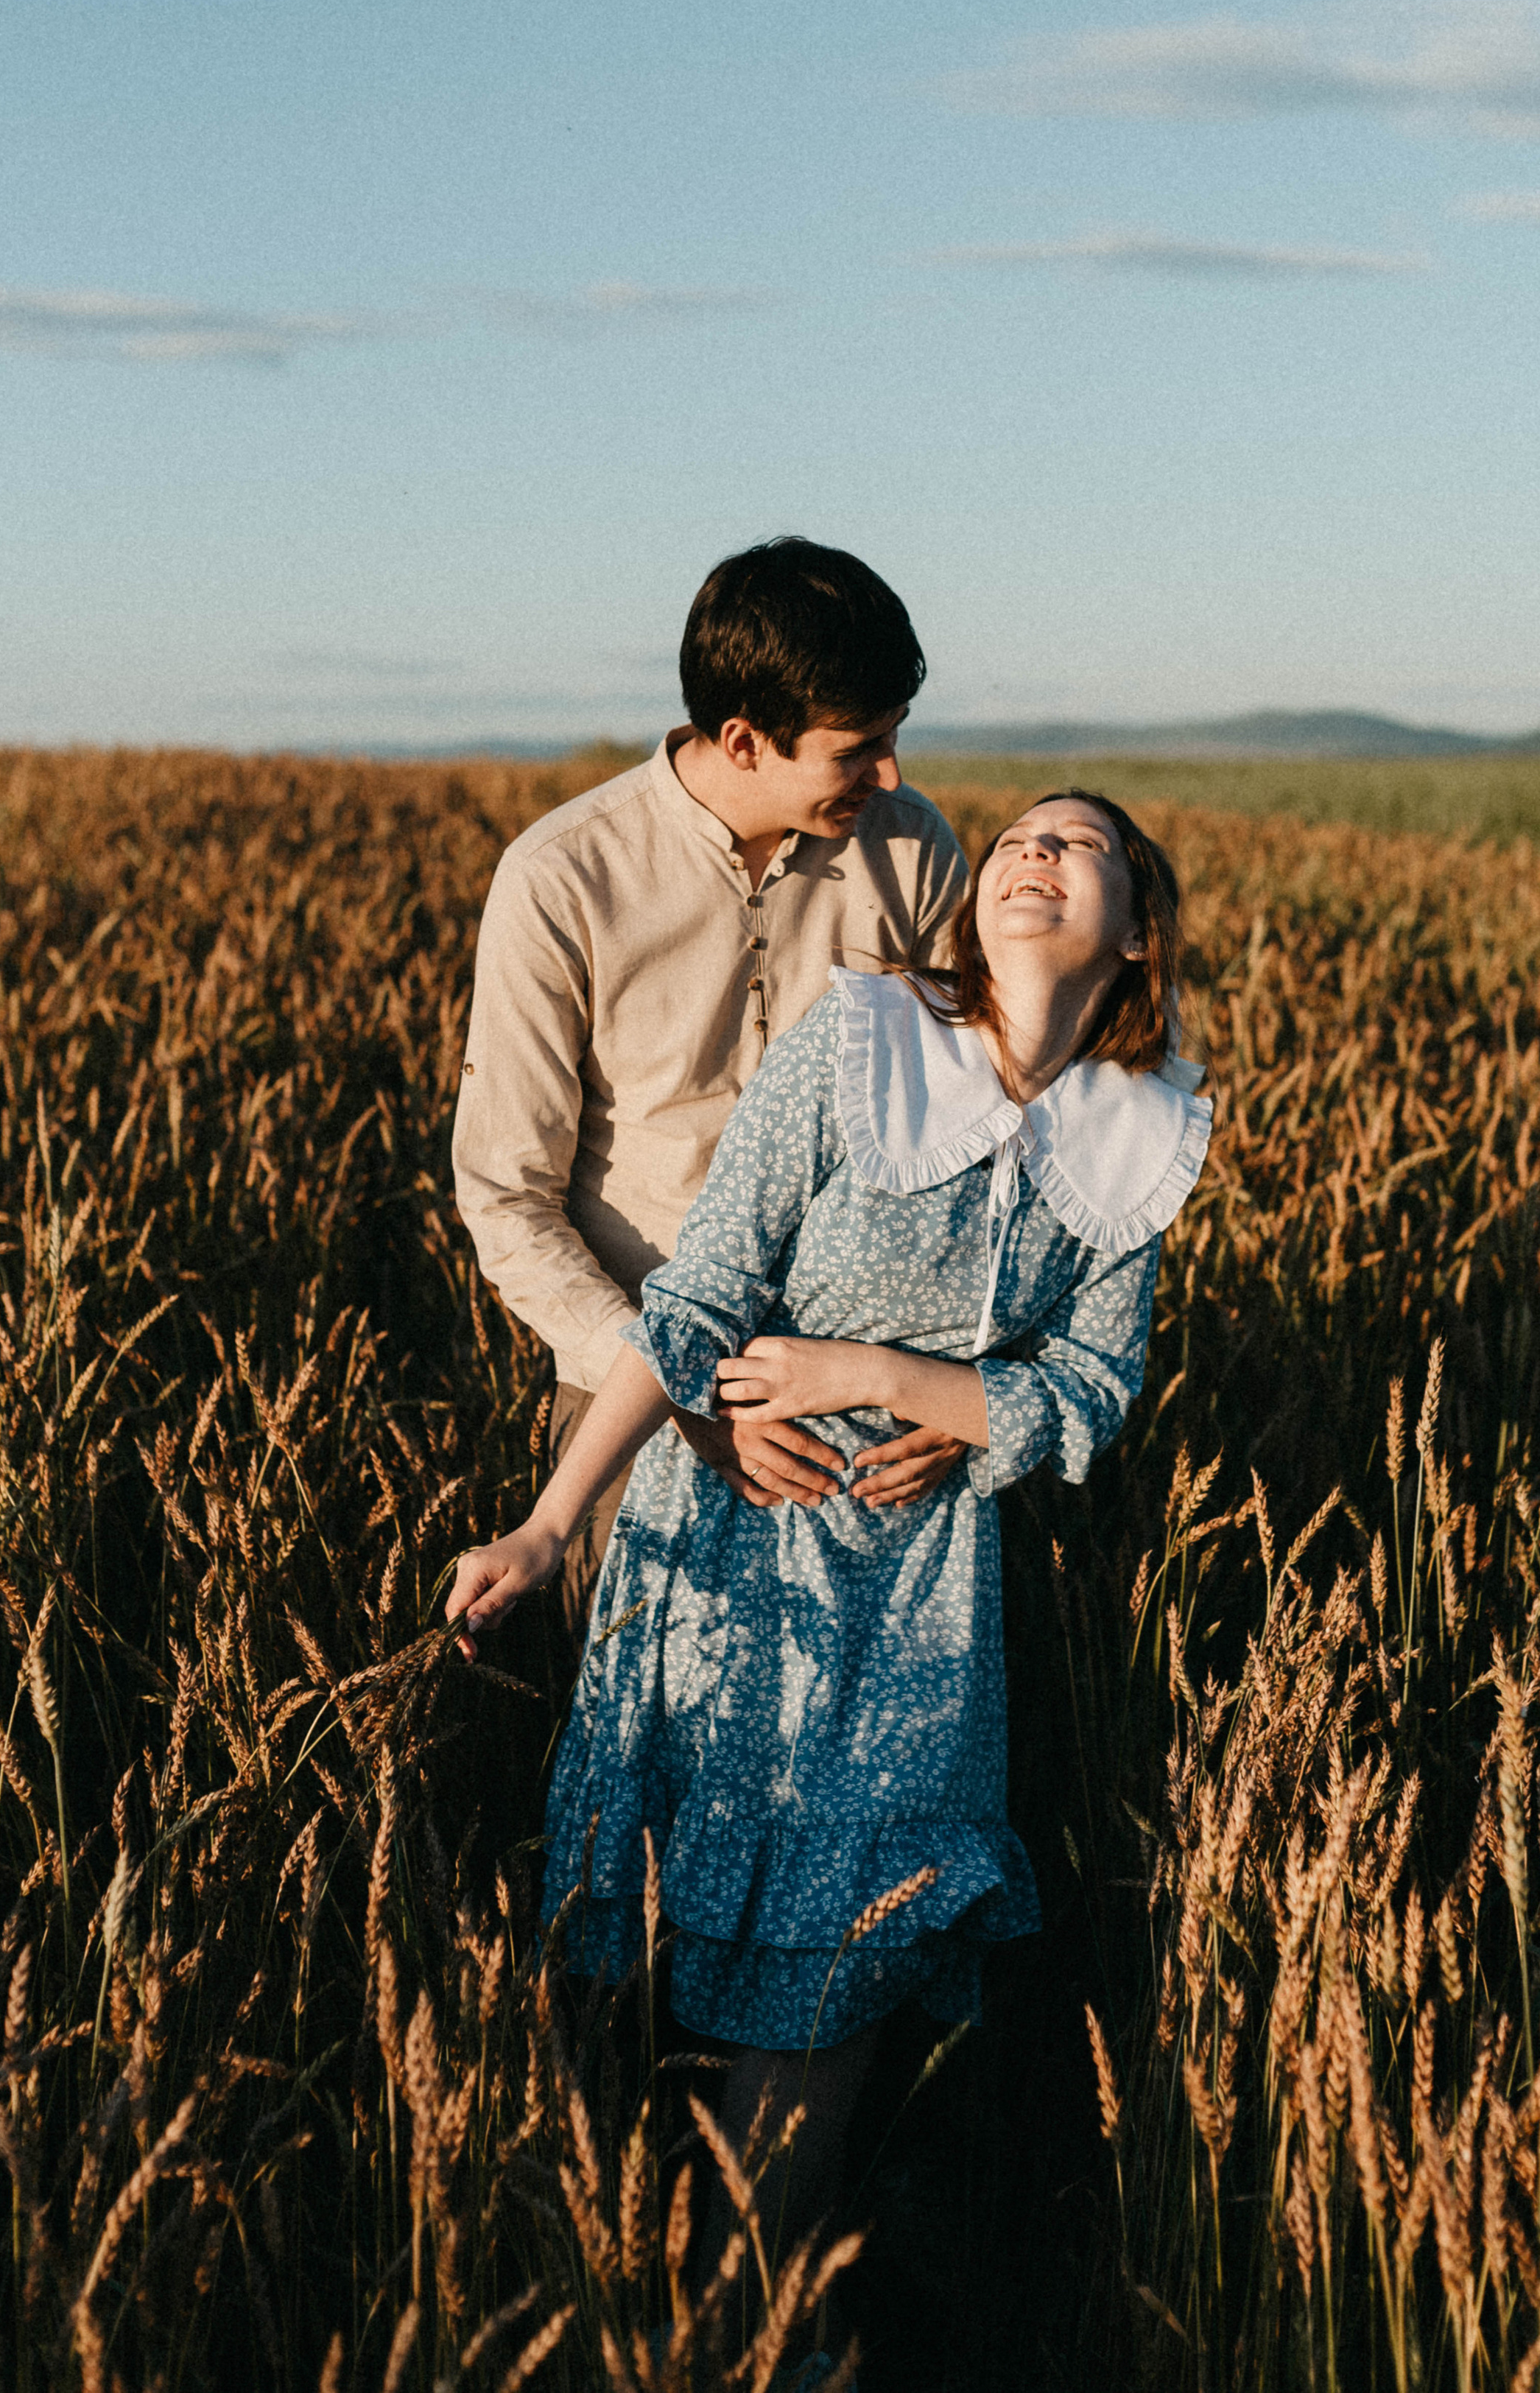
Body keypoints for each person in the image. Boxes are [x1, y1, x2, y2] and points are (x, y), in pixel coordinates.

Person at [445, 790, 1212, 2336]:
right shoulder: (863, 1044)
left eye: (1079, 847)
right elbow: (707, 1295)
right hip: (730, 1543)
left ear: (1136, 930)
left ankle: (726, 2328)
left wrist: (886, 1379)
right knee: (659, 1939)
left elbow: (1084, 1393)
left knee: (845, 1966)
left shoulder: (1141, 1132)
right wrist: (544, 1521)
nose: (1027, 854)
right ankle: (593, 2295)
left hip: (926, 1594)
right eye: (1015, 840)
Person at [452, 538, 973, 1595]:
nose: (892, 776)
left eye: (896, 739)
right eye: (856, 749)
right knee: (639, 1745)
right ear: (742, 738)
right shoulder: (562, 880)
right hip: (634, 1415)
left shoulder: (913, 850)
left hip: (872, 1416)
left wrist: (962, 1389)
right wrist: (678, 1391)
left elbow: (985, 1140)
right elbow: (507, 1196)